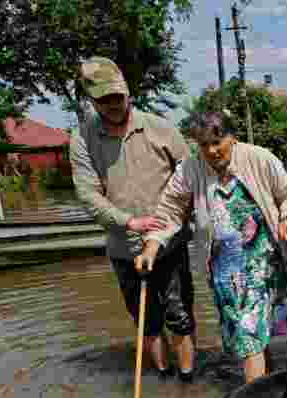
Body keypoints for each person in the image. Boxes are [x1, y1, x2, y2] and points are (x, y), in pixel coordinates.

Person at [135, 111, 287, 384]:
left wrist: (286, 217)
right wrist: (151, 247)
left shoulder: (259, 158)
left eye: (217, 141)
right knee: (251, 337)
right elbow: (169, 210)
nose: (211, 151)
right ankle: (269, 390)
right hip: (225, 273)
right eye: (203, 145)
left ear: (232, 137)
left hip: (264, 264)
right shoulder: (190, 169)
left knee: (253, 333)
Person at [70, 57, 197, 381]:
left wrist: (168, 224)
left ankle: (187, 379)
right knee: (146, 320)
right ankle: (163, 378)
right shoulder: (82, 139)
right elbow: (88, 194)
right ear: (92, 101)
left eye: (117, 97)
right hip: (123, 246)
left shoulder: (161, 129)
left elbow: (190, 180)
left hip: (169, 243)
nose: (112, 105)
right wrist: (128, 221)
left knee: (178, 315)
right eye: (103, 100)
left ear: (128, 93)